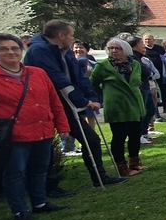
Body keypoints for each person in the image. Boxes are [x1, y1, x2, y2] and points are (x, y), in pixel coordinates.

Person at [0, 33, 71, 220]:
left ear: (21, 49)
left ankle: (40, 202)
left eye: (14, 48)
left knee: (40, 169)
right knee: (15, 173)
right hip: (13, 136)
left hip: (42, 130)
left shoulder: (37, 73)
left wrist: (62, 126)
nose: (10, 52)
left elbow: (54, 102)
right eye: (3, 49)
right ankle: (19, 210)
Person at [23, 19, 125, 188]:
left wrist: (92, 98)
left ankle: (100, 177)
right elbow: (57, 80)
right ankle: (49, 187)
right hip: (47, 104)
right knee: (45, 146)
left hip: (66, 103)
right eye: (71, 35)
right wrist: (82, 101)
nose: (73, 39)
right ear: (61, 35)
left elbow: (79, 77)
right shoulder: (39, 50)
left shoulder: (65, 50)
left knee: (91, 139)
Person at [90, 38, 147, 177]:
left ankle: (135, 162)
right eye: (111, 48)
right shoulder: (103, 65)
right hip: (116, 105)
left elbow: (137, 81)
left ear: (126, 50)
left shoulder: (135, 64)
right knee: (119, 136)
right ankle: (121, 166)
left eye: (117, 48)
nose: (114, 51)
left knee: (135, 134)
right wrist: (105, 95)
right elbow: (93, 83)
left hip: (134, 103)